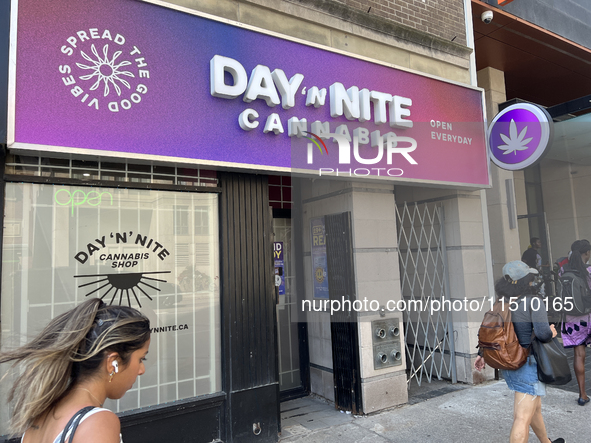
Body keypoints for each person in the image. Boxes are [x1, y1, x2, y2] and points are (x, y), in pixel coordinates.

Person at [0, 298, 151, 443]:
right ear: (113, 363)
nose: (141, 370)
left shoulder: (42, 412)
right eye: (140, 359)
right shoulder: (97, 422)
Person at [475, 261, 563, 443]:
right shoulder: (533, 302)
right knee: (522, 418)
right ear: (525, 281)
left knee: (534, 408)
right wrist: (553, 332)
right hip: (526, 364)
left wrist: (482, 354)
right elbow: (543, 334)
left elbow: (494, 332)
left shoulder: (501, 303)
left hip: (510, 363)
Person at [560, 239, 591, 406]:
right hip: (589, 315)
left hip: (572, 319)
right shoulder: (589, 271)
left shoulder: (564, 271)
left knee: (579, 355)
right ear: (586, 253)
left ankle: (582, 394)